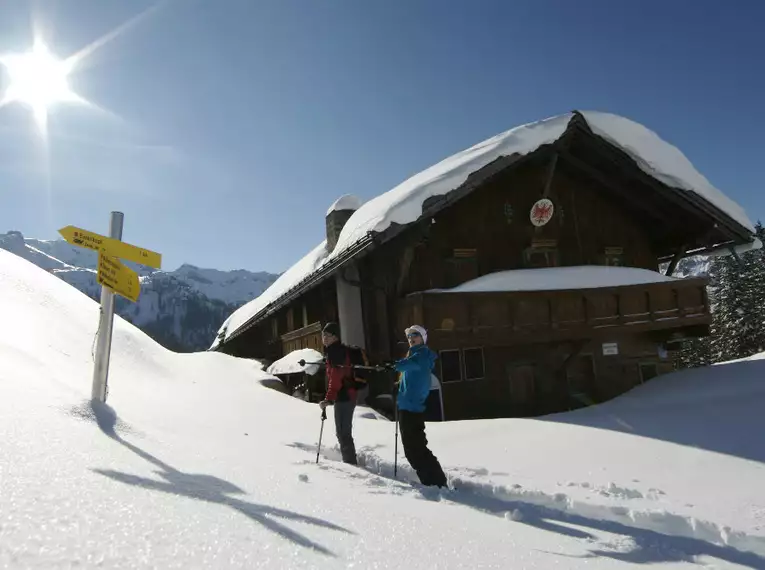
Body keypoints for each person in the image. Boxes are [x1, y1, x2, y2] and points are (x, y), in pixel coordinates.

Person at [393, 325, 448, 488]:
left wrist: (393, 365)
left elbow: (408, 365)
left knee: (415, 449)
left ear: (423, 338)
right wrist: (399, 385)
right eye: (409, 336)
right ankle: (433, 482)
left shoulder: (421, 355)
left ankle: (435, 482)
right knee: (414, 449)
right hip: (407, 406)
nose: (411, 339)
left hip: (412, 408)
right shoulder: (413, 355)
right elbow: (409, 374)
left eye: (415, 335)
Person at [318, 322, 360, 465]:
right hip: (346, 395)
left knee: (343, 433)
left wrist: (328, 399)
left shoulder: (336, 352)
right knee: (342, 432)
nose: (324, 338)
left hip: (345, 396)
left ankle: (351, 463)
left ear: (335, 337)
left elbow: (336, 378)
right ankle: (350, 461)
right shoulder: (335, 351)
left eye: (327, 335)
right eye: (323, 334)